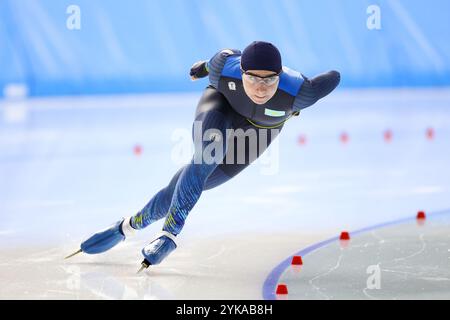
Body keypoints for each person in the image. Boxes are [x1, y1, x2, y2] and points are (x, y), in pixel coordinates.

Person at [66, 41, 341, 272]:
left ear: (280, 76)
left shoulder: (300, 92)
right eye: (253, 78)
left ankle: (126, 227)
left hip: (260, 132)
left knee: (182, 187)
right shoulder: (225, 68)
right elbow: (214, 62)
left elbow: (334, 77)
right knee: (207, 156)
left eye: (269, 80)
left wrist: (305, 89)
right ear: (241, 72)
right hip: (222, 106)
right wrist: (202, 69)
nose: (260, 88)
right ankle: (169, 234)